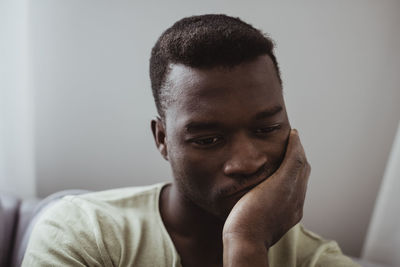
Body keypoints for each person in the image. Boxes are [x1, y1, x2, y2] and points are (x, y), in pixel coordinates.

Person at [22, 14, 359, 267]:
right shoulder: (83, 233)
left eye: (267, 129)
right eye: (209, 139)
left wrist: (247, 243)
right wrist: (247, 244)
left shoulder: (315, 260)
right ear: (162, 139)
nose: (246, 161)